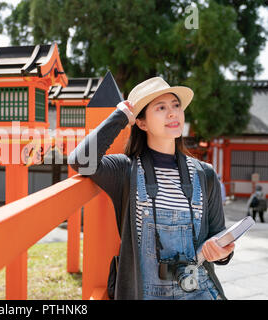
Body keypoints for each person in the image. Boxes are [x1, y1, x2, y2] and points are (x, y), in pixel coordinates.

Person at [68, 77, 235, 300]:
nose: (173, 113)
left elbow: (218, 233)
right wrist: (120, 116)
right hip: (146, 294)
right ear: (142, 122)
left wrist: (222, 252)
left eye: (176, 106)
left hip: (200, 291)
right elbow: (81, 160)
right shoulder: (125, 170)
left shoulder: (205, 174)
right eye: (161, 108)